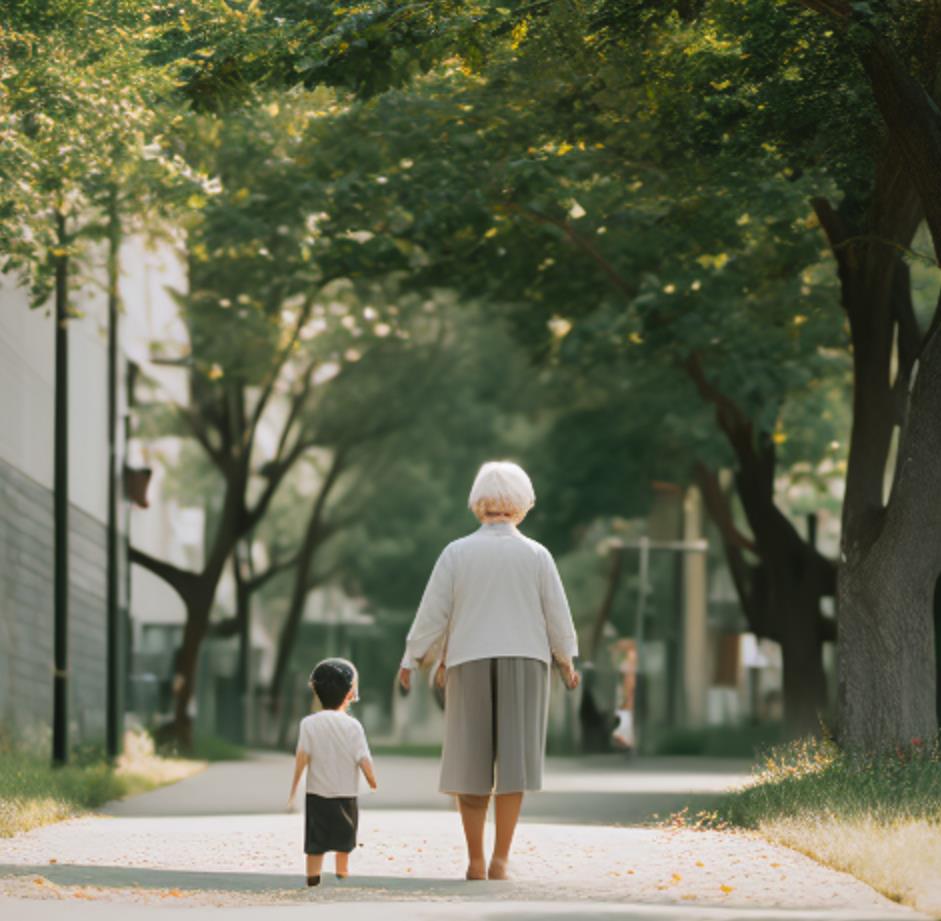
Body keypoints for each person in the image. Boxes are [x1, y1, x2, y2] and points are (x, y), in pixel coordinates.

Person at [399, 460, 580, 881]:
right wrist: (568, 660)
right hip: (527, 661)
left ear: (478, 502)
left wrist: (413, 658)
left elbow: (434, 612)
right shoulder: (537, 554)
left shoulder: (456, 552)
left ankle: (475, 860)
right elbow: (557, 614)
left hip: (468, 660)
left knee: (470, 762)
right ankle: (501, 860)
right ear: (522, 503)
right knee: (513, 765)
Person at [288, 658, 378, 887]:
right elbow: (364, 759)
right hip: (346, 795)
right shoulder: (353, 726)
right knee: (343, 842)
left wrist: (294, 787)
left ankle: (312, 878)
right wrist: (373, 781)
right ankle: (342, 874)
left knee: (316, 843)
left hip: (316, 794)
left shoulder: (308, 724)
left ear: (316, 692)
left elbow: (302, 758)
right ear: (350, 693)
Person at [611, 638, 637, 751]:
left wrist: (628, 695)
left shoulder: (631, 657)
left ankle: (625, 738)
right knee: (625, 714)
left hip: (628, 694)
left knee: (626, 714)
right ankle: (625, 738)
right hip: (625, 694)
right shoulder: (629, 657)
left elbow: (630, 679)